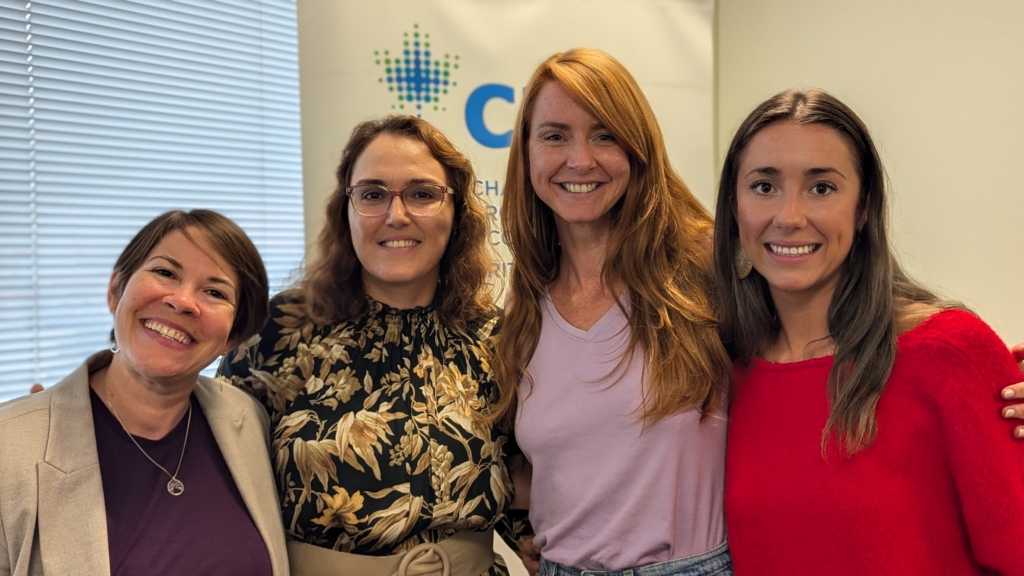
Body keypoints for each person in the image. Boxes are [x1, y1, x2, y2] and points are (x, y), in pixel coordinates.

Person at [715, 89, 1024, 574]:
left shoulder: (950, 351)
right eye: (763, 186)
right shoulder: (724, 370)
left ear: (863, 208)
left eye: (821, 188)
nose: (789, 217)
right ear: (734, 208)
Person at [219, 115, 529, 576]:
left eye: (422, 194)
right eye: (372, 194)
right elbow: (223, 488)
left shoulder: (496, 337)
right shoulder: (276, 331)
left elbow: (519, 483)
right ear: (346, 210)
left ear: (457, 211)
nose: (396, 215)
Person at [490, 48, 734, 575]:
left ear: (638, 148)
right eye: (554, 135)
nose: (580, 159)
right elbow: (552, 460)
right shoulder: (525, 302)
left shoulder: (704, 266)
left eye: (604, 134)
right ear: (526, 152)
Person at [0, 209, 288, 575]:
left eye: (214, 291)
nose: (183, 301)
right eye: (165, 272)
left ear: (232, 339)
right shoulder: (9, 445)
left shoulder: (248, 419)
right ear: (115, 291)